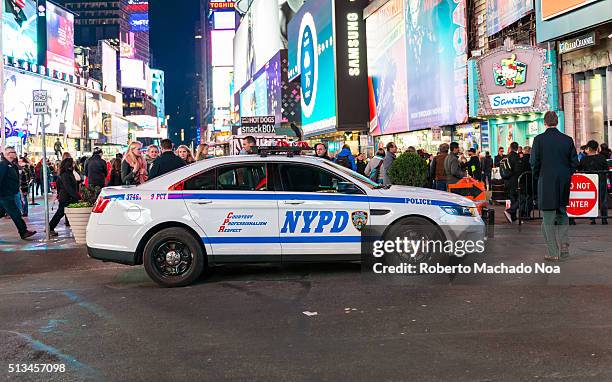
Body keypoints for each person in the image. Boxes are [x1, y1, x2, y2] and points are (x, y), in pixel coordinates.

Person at [530, 111, 579, 261]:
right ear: (557, 122)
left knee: (548, 218)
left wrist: (540, 176)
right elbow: (574, 163)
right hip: (564, 181)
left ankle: (553, 252)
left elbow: (533, 163)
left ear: (544, 123)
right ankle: (564, 250)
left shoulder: (539, 140)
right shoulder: (567, 139)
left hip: (546, 182)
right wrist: (566, 175)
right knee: (563, 214)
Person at [0, 147, 36, 239]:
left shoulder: (11, 165)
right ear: (8, 154)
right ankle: (23, 231)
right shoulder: (4, 165)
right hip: (5, 195)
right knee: (15, 213)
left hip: (9, 194)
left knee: (3, 213)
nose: (15, 153)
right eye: (13, 152)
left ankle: (23, 231)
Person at [578, 140, 608, 225]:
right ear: (597, 148)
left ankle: (592, 219)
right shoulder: (602, 157)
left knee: (591, 200)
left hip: (589, 181)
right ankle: (604, 219)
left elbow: (580, 170)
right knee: (603, 200)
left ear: (588, 148)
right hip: (601, 180)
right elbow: (605, 168)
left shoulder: (584, 159)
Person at [49, 158, 80, 237]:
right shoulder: (65, 174)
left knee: (61, 213)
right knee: (60, 213)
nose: (74, 164)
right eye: (72, 163)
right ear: (69, 165)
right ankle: (50, 227)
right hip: (66, 197)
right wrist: (77, 196)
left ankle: (50, 227)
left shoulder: (67, 173)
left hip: (67, 197)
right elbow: (68, 187)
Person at [502, 142, 521, 223]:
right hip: (514, 181)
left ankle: (513, 218)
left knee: (513, 198)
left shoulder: (506, 156)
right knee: (520, 198)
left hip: (507, 180)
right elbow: (517, 170)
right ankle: (510, 211)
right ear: (517, 148)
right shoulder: (516, 157)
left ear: (510, 147)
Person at [518, 146, 534, 219]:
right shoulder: (533, 160)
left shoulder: (520, 160)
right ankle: (527, 213)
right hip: (531, 181)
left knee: (522, 197)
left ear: (524, 151)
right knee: (530, 197)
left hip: (522, 182)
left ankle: (521, 213)